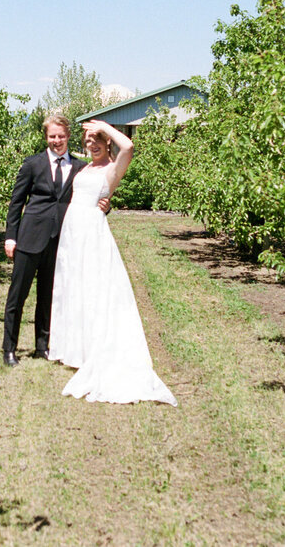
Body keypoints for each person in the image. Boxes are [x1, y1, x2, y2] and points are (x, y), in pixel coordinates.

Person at [49, 119, 177, 405]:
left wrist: (105, 125)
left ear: (107, 142)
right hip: (73, 232)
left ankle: (96, 349)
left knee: (96, 289)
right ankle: (75, 350)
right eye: (88, 143)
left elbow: (129, 146)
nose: (91, 146)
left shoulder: (112, 168)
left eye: (97, 142)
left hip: (92, 233)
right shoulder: (84, 167)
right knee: (74, 287)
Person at [2, 114, 88, 367]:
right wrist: (10, 237)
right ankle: (9, 349)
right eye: (52, 136)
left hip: (61, 242)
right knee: (17, 297)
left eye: (61, 136)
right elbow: (16, 203)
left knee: (49, 297)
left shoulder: (81, 168)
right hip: (29, 240)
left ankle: (43, 346)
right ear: (46, 137)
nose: (57, 140)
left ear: (68, 136)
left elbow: (90, 198)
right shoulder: (32, 165)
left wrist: (104, 206)